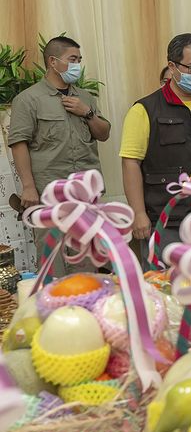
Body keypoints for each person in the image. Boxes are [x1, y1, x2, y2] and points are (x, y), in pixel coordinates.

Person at [120, 33, 191, 262]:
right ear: (172, 67)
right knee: (166, 287)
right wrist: (138, 213)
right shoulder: (144, 109)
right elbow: (130, 163)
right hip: (164, 218)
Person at [9, 36, 110, 274]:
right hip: (48, 194)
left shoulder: (85, 97)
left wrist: (87, 113)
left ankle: (87, 308)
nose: (77, 65)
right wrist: (28, 187)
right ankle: (54, 310)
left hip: (86, 194)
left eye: (79, 60)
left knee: (87, 261)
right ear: (53, 62)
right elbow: (18, 143)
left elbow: (104, 133)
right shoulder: (28, 99)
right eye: (72, 59)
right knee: (53, 261)